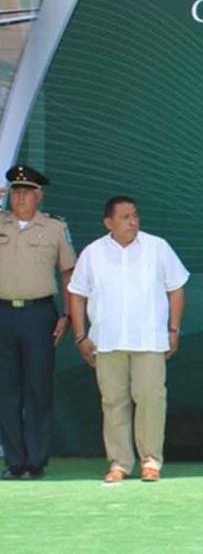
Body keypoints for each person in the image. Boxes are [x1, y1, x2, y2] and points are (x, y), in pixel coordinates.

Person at [67, 196, 189, 483]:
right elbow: (77, 294)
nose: (133, 221)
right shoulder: (93, 252)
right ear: (108, 222)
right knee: (113, 402)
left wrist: (173, 329)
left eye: (135, 216)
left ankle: (151, 460)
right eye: (125, 217)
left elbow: (177, 287)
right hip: (106, 341)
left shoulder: (157, 247)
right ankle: (120, 463)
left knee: (151, 399)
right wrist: (80, 335)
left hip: (149, 339)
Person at [0, 165, 76, 481]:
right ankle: (14, 460)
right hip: (2, 313)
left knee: (37, 388)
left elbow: (69, 273)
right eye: (15, 191)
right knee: (6, 389)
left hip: (39, 314)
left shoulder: (55, 229)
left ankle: (35, 460)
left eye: (27, 192)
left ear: (38, 196)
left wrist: (69, 315)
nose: (20, 197)